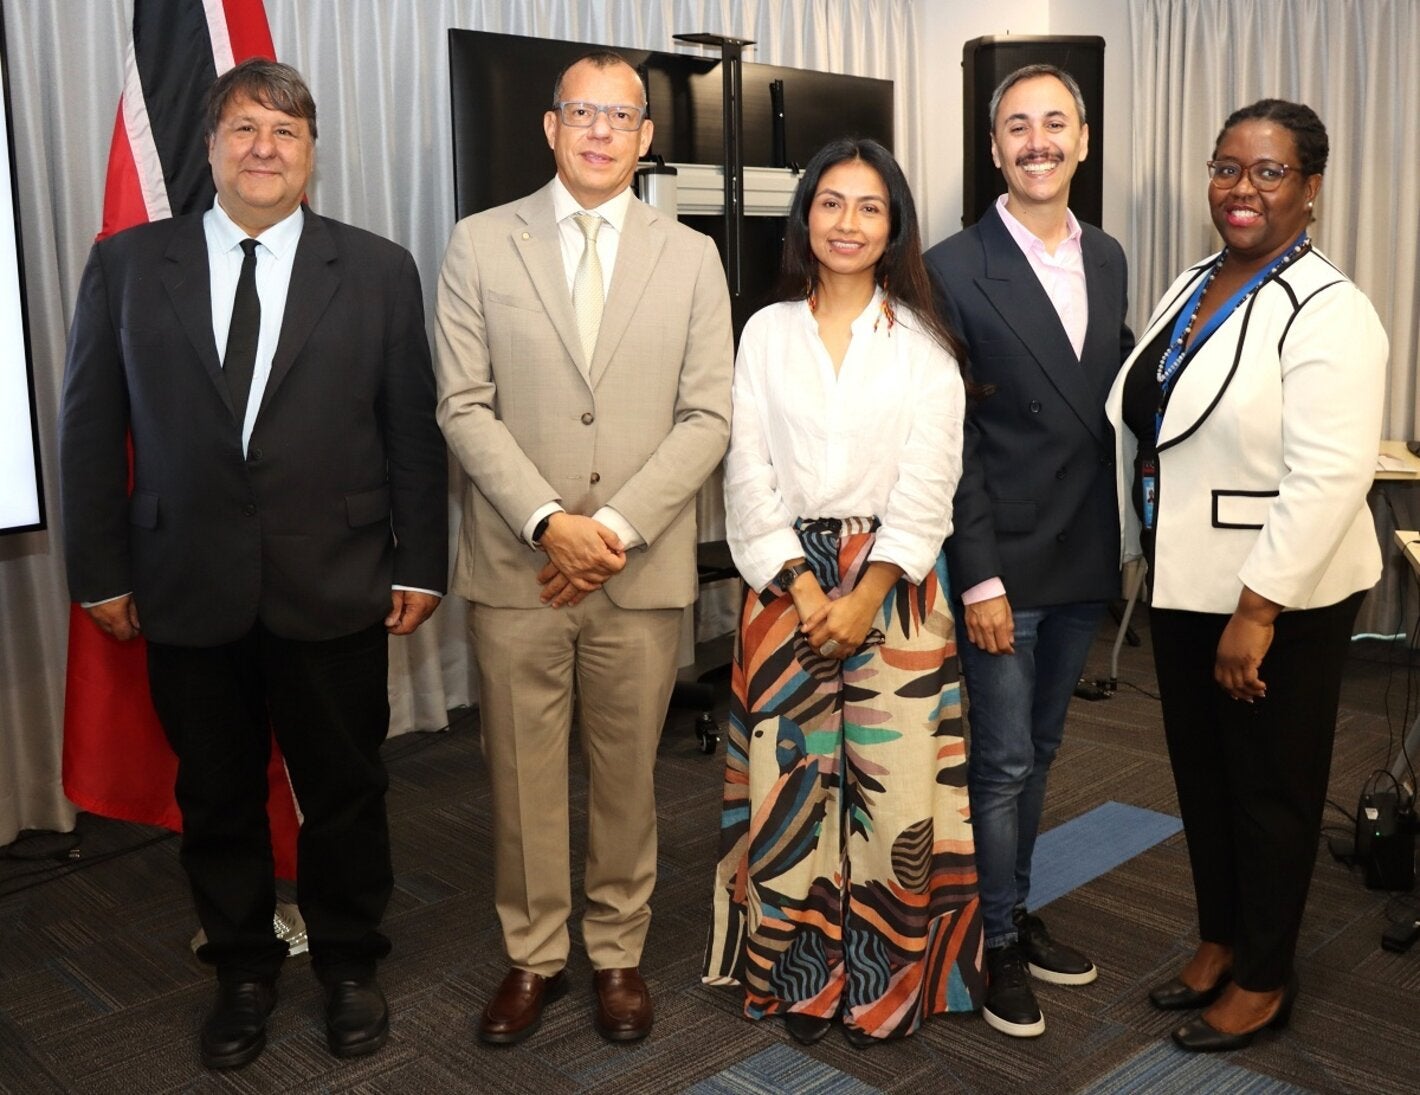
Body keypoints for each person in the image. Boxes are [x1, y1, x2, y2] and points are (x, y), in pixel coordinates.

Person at [58, 60, 448, 1069]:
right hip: (184, 585)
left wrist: (424, 563)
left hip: (338, 581)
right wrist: (96, 570)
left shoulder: (375, 269)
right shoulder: (130, 264)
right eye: (243, 128)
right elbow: (91, 431)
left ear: (312, 152)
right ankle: (240, 970)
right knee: (217, 796)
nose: (263, 147)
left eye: (284, 130)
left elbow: (411, 429)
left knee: (346, 791)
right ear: (211, 145)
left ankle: (350, 967)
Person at [434, 50, 733, 1046]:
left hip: (636, 571)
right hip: (517, 568)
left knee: (624, 779)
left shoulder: (690, 257)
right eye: (582, 113)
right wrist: (545, 523)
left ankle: (616, 954)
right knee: (520, 779)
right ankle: (533, 955)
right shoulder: (480, 245)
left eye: (622, 116)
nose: (601, 131)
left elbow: (706, 418)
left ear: (647, 139)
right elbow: (463, 405)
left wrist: (605, 532)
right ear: (550, 128)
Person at [1105, 99, 1387, 1052]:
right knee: (1204, 776)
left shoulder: (1331, 309)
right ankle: (1221, 935)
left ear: (1311, 189)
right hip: (1187, 579)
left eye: (1269, 172)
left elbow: (1330, 474)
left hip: (1276, 596)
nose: (1241, 188)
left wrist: (1257, 610)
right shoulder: (1196, 280)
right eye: (1228, 166)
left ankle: (1266, 973)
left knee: (1271, 789)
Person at [703, 137, 983, 1047]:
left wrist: (863, 595)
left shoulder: (926, 345)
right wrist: (798, 580)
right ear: (805, 216)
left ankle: (885, 983)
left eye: (869, 206)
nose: (848, 222)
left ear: (893, 223)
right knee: (794, 790)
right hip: (783, 584)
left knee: (894, 793)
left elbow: (927, 485)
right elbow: (745, 472)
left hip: (895, 589)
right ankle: (797, 976)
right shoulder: (765, 331)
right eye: (831, 203)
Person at [923, 64, 1135, 1038]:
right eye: (1017, 126)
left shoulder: (1110, 259)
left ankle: (1010, 904)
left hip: (1084, 553)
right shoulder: (951, 267)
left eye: (1056, 123)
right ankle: (995, 939)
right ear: (994, 146)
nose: (1037, 141)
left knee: (1044, 750)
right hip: (1002, 564)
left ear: (1082, 140)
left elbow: (1107, 405)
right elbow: (948, 440)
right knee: (1002, 763)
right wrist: (979, 576)